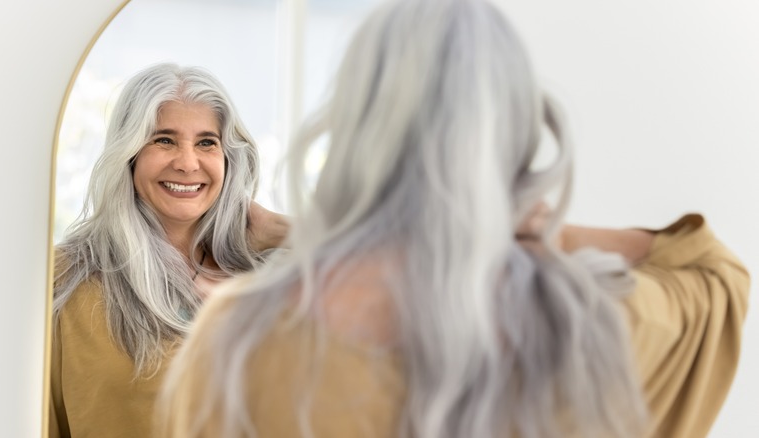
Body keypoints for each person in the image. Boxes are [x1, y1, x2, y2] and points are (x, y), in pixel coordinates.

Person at [157, 1, 750, 437]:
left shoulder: (240, 340)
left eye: (207, 142)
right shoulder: (592, 329)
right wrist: (545, 230)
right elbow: (715, 270)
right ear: (514, 124)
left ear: (358, 119)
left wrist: (306, 233)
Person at [49, 62, 288, 438]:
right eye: (164, 140)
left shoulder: (272, 275)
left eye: (207, 142)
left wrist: (287, 232)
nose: (188, 163)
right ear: (129, 153)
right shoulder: (64, 277)